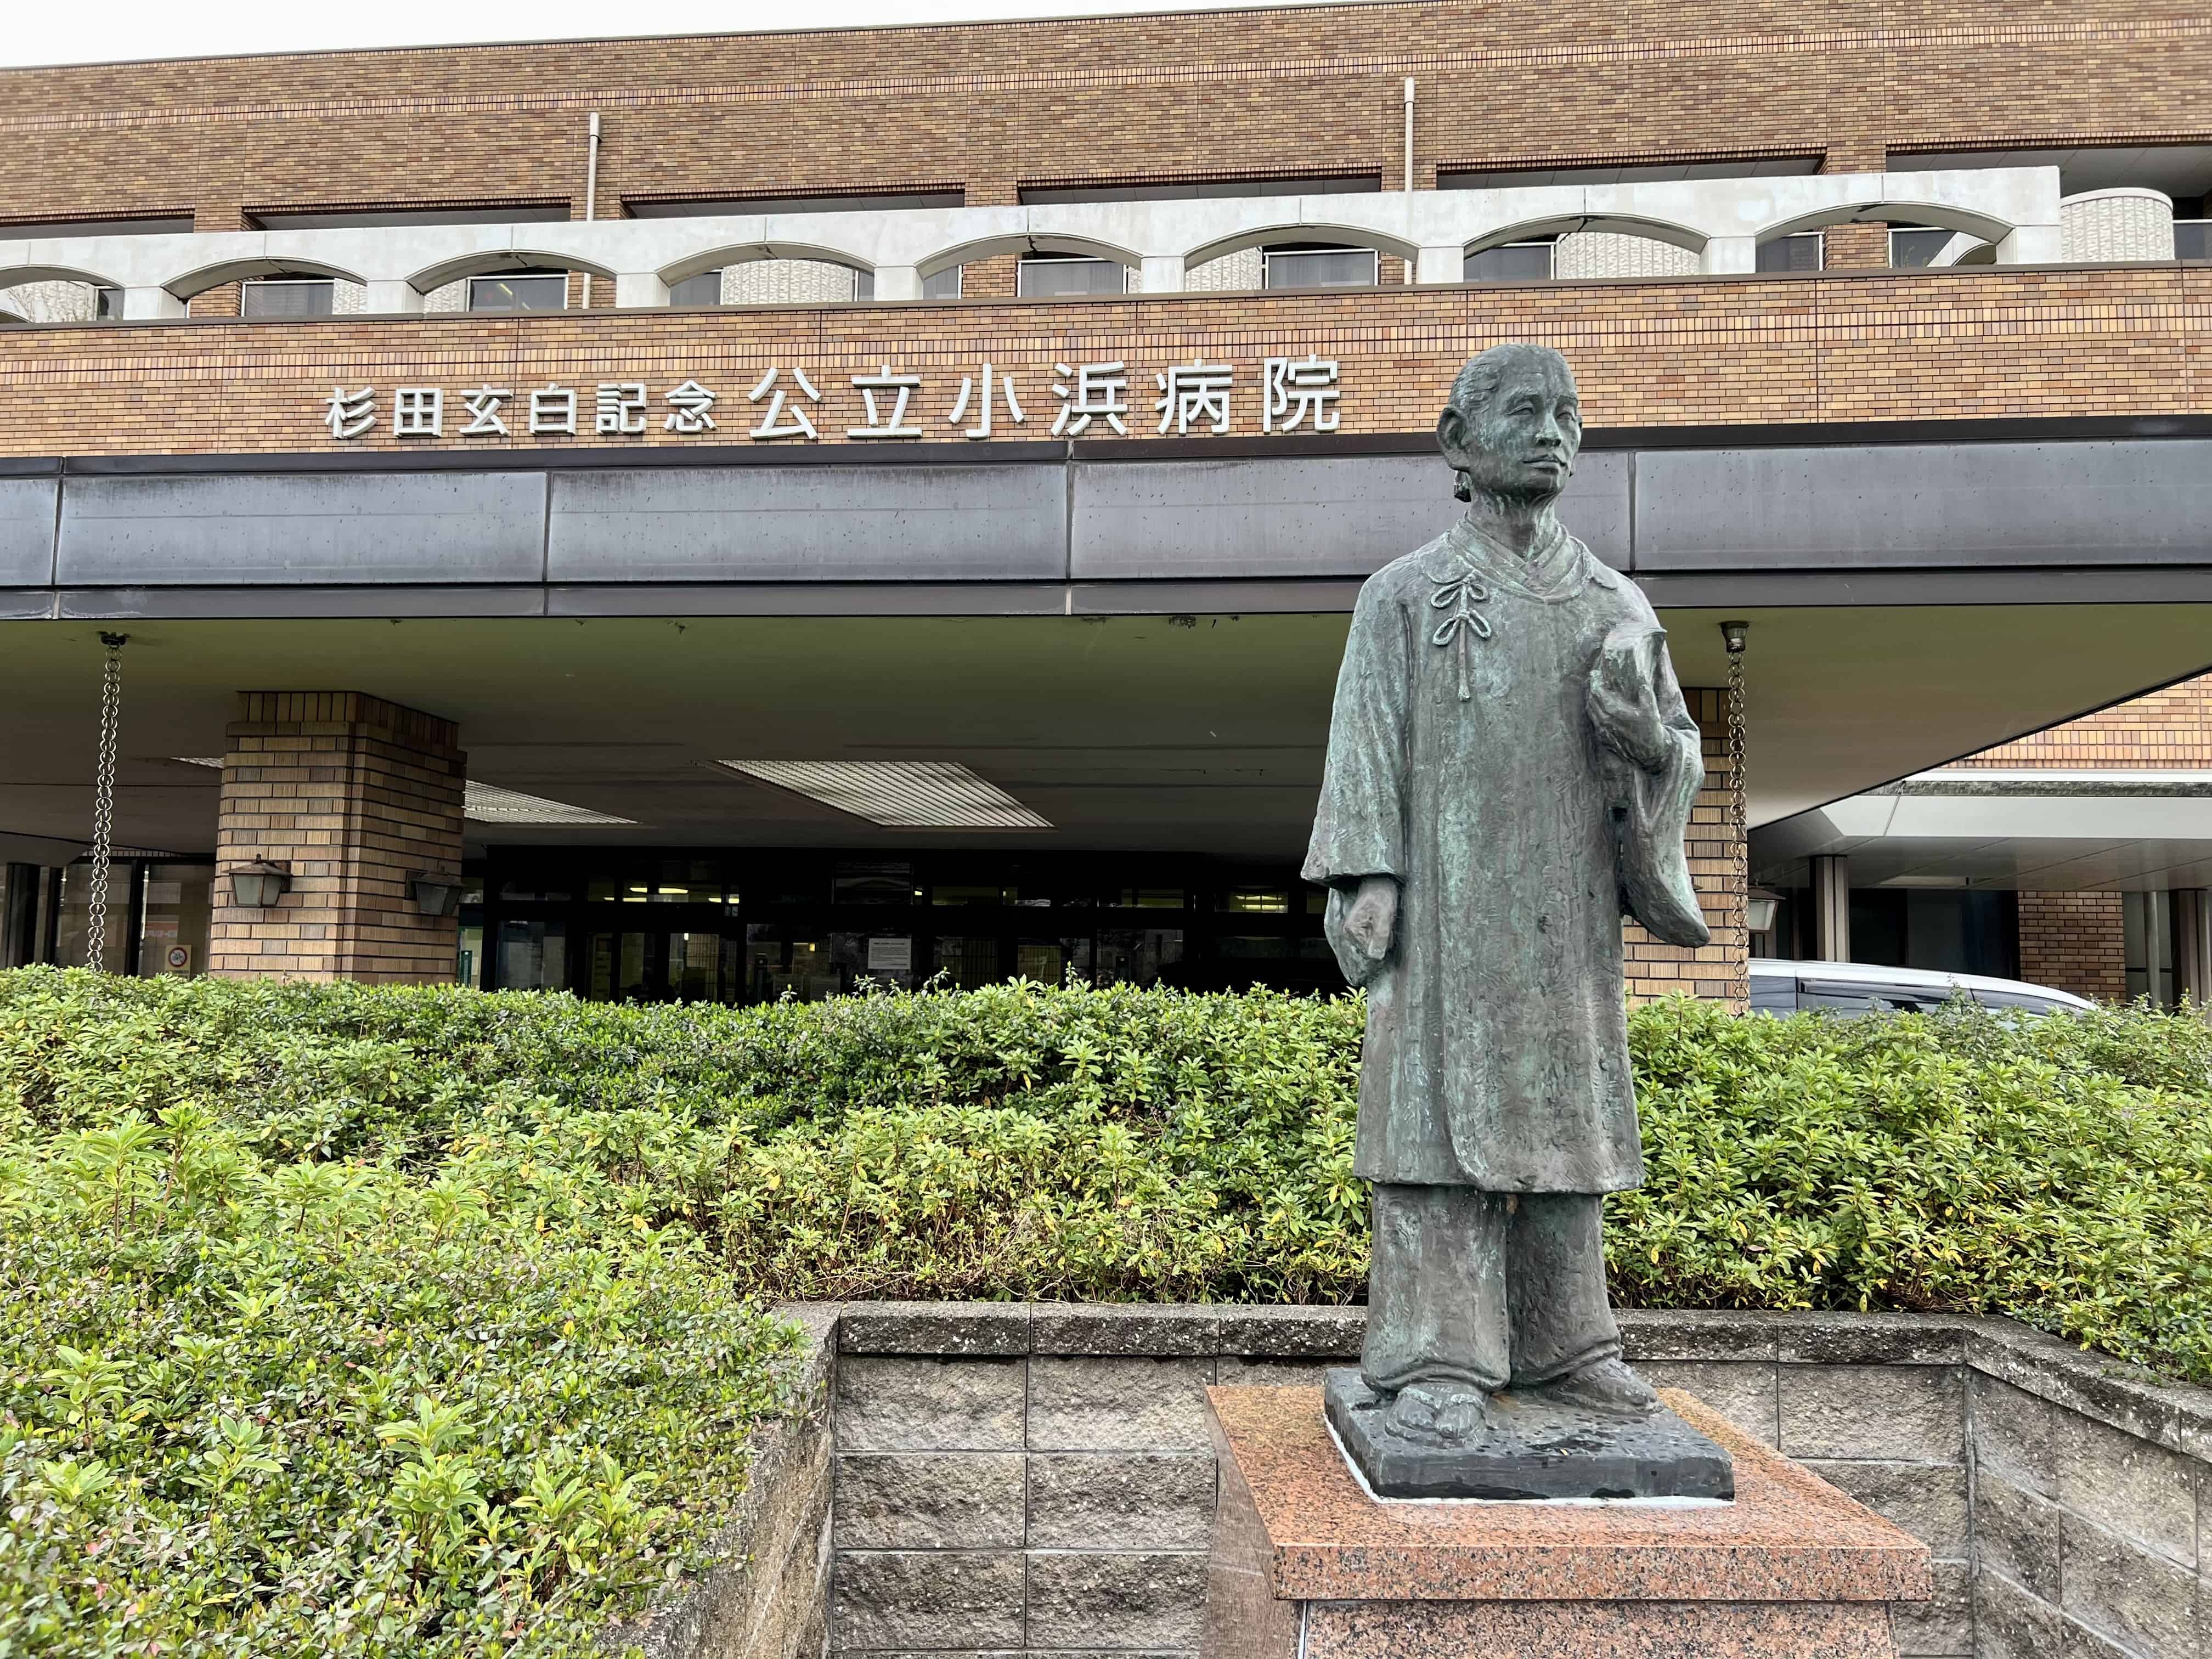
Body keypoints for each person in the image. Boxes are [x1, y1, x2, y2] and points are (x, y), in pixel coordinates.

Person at [1304, 342, 1710, 1447]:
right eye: (1526, 414)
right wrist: (1367, 874)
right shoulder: (1402, 595)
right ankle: (1437, 1354)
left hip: (1564, 914)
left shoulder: (1616, 603)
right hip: (1442, 910)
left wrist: (1650, 750)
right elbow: (1364, 744)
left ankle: (1573, 1345)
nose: (1553, 433)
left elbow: (1676, 748)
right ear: (1457, 443)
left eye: (1569, 416)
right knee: (1431, 1130)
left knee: (1569, 1121)